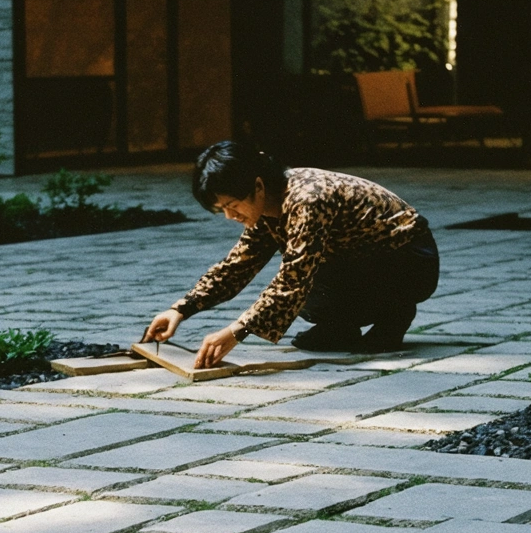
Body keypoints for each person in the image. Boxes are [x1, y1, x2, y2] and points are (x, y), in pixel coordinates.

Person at [143, 140, 440, 368]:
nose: (230, 216)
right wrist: (181, 309)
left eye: (233, 204)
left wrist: (236, 332)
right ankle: (340, 328)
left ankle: (394, 315)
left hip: (409, 262)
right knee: (304, 295)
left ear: (257, 186)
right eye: (222, 209)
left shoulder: (307, 198)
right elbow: (238, 265)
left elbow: (294, 278)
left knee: (299, 286)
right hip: (356, 262)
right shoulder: (267, 205)